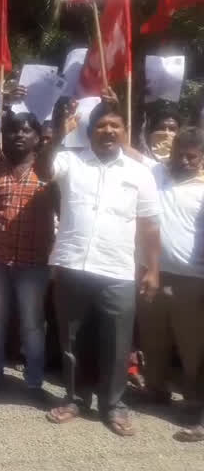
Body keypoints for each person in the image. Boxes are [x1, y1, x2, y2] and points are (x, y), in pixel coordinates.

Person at [45, 98, 161, 437]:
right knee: (72, 338)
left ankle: (113, 405)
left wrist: (153, 270)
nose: (108, 131)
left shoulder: (140, 173)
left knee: (117, 342)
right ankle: (76, 398)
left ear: (125, 131)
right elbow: (42, 170)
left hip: (118, 269)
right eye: (101, 125)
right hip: (73, 265)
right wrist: (57, 134)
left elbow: (150, 225)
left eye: (115, 125)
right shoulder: (69, 160)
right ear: (89, 130)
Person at [133, 129, 204, 442]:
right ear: (171, 153)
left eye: (193, 156)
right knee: (154, 339)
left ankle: (197, 407)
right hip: (153, 275)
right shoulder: (157, 172)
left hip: (194, 282)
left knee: (195, 350)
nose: (185, 161)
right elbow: (129, 151)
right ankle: (156, 391)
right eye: (180, 154)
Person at [0, 112, 54, 401]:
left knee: (32, 325)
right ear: (5, 136)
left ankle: (34, 383)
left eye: (26, 130)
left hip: (34, 263)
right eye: (13, 131)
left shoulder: (48, 173)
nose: (19, 135)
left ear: (37, 137)